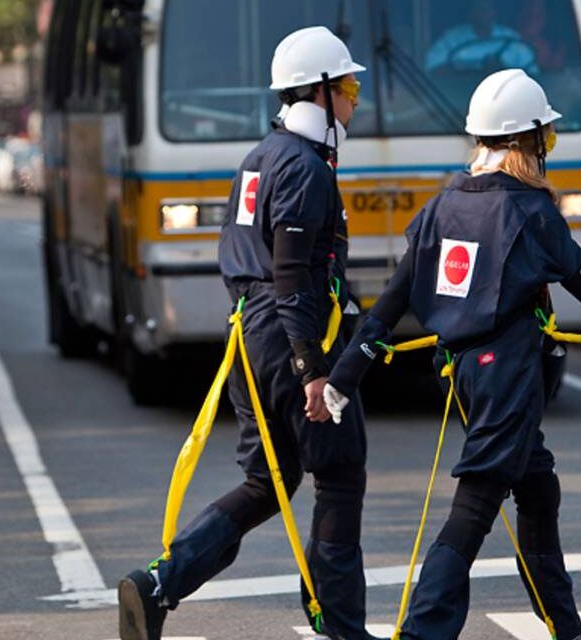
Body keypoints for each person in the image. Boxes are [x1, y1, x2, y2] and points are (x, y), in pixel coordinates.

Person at [321, 69, 581, 640]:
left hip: (467, 375)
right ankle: (423, 633)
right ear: (525, 143)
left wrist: (344, 376)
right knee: (473, 508)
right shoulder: (531, 212)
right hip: (510, 375)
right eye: (544, 139)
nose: (547, 149)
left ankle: (568, 632)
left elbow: (388, 305)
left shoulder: (442, 205)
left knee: (538, 488)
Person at [118, 26, 380, 640]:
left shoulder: (259, 158)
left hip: (249, 335)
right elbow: (291, 274)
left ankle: (160, 583)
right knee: (339, 474)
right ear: (317, 93)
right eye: (346, 89)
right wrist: (312, 368)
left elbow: (254, 261)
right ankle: (342, 626)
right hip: (292, 332)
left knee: (270, 480)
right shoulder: (306, 169)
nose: (352, 102)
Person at [425, 1, 538, 76]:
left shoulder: (512, 39)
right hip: (456, 100)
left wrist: (502, 69)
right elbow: (433, 69)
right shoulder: (451, 39)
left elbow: (532, 73)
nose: (485, 14)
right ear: (470, 14)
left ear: (494, 12)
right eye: (480, 10)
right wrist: (468, 71)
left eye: (488, 10)